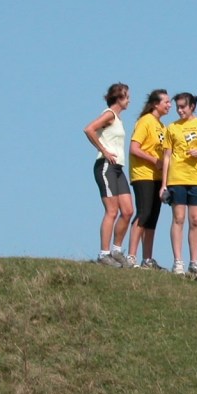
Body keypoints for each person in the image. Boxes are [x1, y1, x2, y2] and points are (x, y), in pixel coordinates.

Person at [160, 93, 197, 278]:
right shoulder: (172, 127)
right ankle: (178, 261)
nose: (179, 110)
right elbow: (166, 156)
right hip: (176, 178)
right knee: (178, 218)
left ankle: (195, 262)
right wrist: (164, 184)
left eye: (183, 106)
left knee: (196, 219)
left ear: (192, 106)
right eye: (177, 107)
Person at [83, 83, 134, 267]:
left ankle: (116, 251)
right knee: (112, 211)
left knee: (128, 211)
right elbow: (89, 129)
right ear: (118, 98)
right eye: (127, 96)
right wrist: (104, 150)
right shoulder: (109, 115)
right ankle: (103, 255)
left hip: (118, 168)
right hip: (106, 166)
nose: (129, 100)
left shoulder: (118, 119)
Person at [126, 88, 172, 269]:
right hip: (143, 174)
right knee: (143, 213)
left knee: (153, 217)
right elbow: (134, 148)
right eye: (166, 102)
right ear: (155, 104)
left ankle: (147, 259)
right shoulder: (145, 121)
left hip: (158, 177)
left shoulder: (162, 126)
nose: (169, 105)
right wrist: (154, 160)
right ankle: (131, 256)